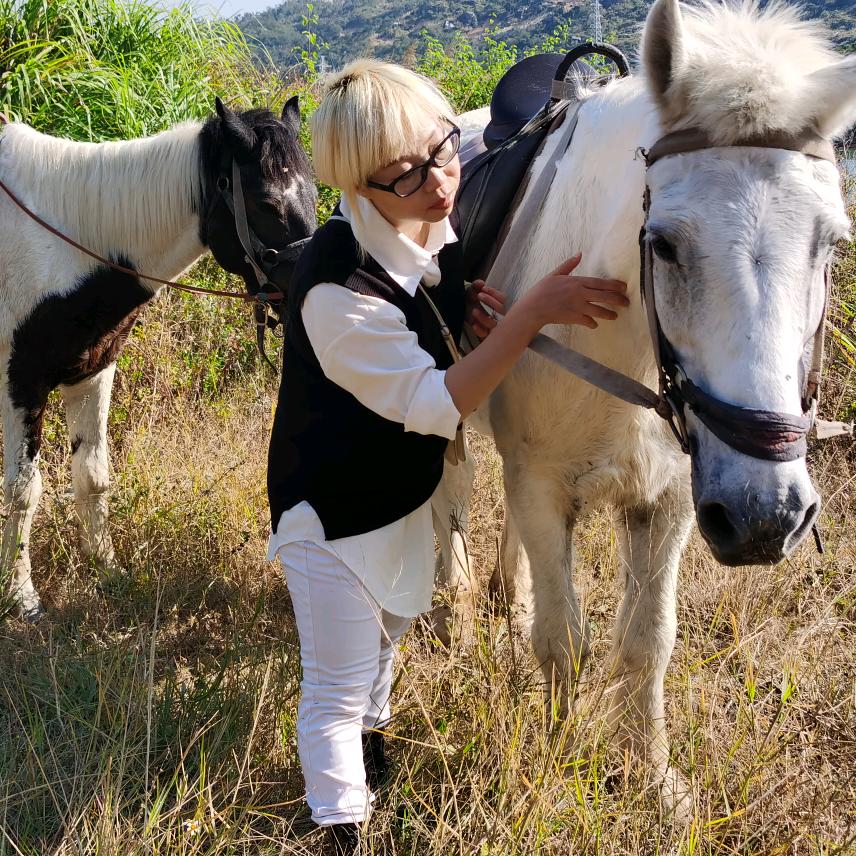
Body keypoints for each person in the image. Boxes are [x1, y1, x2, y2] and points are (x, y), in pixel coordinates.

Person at [266, 59, 629, 854]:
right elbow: (437, 401)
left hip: (394, 496)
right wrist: (526, 318)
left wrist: (458, 303)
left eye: (444, 149)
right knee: (332, 685)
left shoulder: (425, 223)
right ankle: (340, 829)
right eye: (406, 175)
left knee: (383, 642)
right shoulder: (338, 289)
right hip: (328, 514)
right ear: (359, 188)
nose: (439, 183)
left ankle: (374, 761)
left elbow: (429, 295)